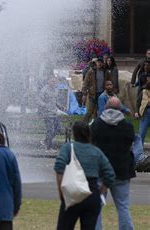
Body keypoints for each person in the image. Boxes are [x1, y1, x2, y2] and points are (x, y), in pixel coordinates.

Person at [54, 121, 115, 230]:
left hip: (73, 192)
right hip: (92, 192)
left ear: (74, 134)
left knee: (64, 225)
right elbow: (110, 174)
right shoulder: (96, 152)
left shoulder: (69, 148)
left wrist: (61, 190)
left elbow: (59, 167)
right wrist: (100, 191)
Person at [91, 97, 135, 230]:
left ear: (106, 108)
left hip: (101, 170)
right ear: (120, 109)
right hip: (121, 171)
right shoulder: (127, 126)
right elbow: (130, 144)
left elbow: (91, 145)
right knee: (123, 206)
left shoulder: (97, 124)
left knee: (97, 205)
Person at [82, 58, 111, 122]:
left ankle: (95, 125)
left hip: (102, 94)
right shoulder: (91, 71)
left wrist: (109, 91)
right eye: (98, 62)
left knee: (100, 111)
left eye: (101, 62)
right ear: (96, 63)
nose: (99, 64)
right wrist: (84, 93)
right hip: (93, 94)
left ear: (103, 63)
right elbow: (85, 82)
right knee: (90, 111)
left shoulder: (106, 72)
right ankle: (83, 124)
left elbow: (109, 82)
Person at [37, 76, 62, 149]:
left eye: (55, 81)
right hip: (47, 113)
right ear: (48, 81)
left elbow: (55, 100)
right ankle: (49, 146)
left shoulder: (56, 90)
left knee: (58, 128)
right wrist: (45, 105)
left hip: (54, 112)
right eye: (52, 81)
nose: (54, 83)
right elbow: (38, 100)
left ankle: (45, 141)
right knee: (50, 130)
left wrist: (60, 106)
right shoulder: (44, 90)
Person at [135, 75, 150, 147]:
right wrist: (137, 112)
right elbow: (138, 102)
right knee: (142, 133)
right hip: (145, 113)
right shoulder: (143, 91)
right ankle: (139, 153)